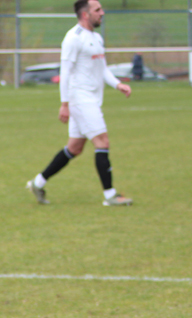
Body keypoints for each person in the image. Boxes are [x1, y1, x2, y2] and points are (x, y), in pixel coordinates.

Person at [26, 0, 133, 207]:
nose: (102, 13)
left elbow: (102, 69)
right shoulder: (72, 39)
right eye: (97, 10)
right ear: (85, 14)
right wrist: (64, 104)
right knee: (102, 142)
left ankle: (37, 183)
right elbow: (64, 73)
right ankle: (110, 196)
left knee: (74, 148)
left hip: (91, 99)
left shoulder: (97, 37)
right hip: (80, 100)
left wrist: (118, 84)